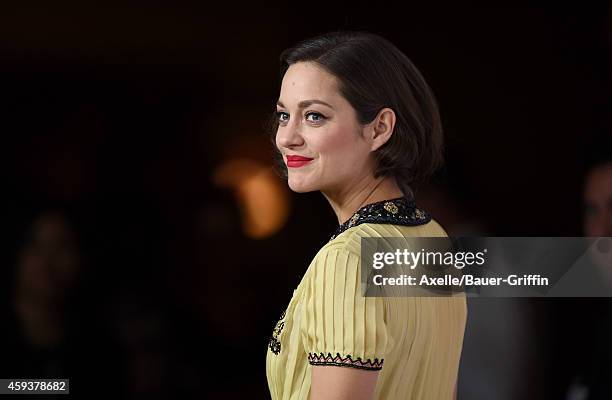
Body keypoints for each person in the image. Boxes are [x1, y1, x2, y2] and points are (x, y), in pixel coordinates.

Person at [265, 31, 467, 400]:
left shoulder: (346, 260)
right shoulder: (435, 239)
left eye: (313, 116)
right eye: (283, 115)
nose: (286, 138)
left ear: (379, 128)